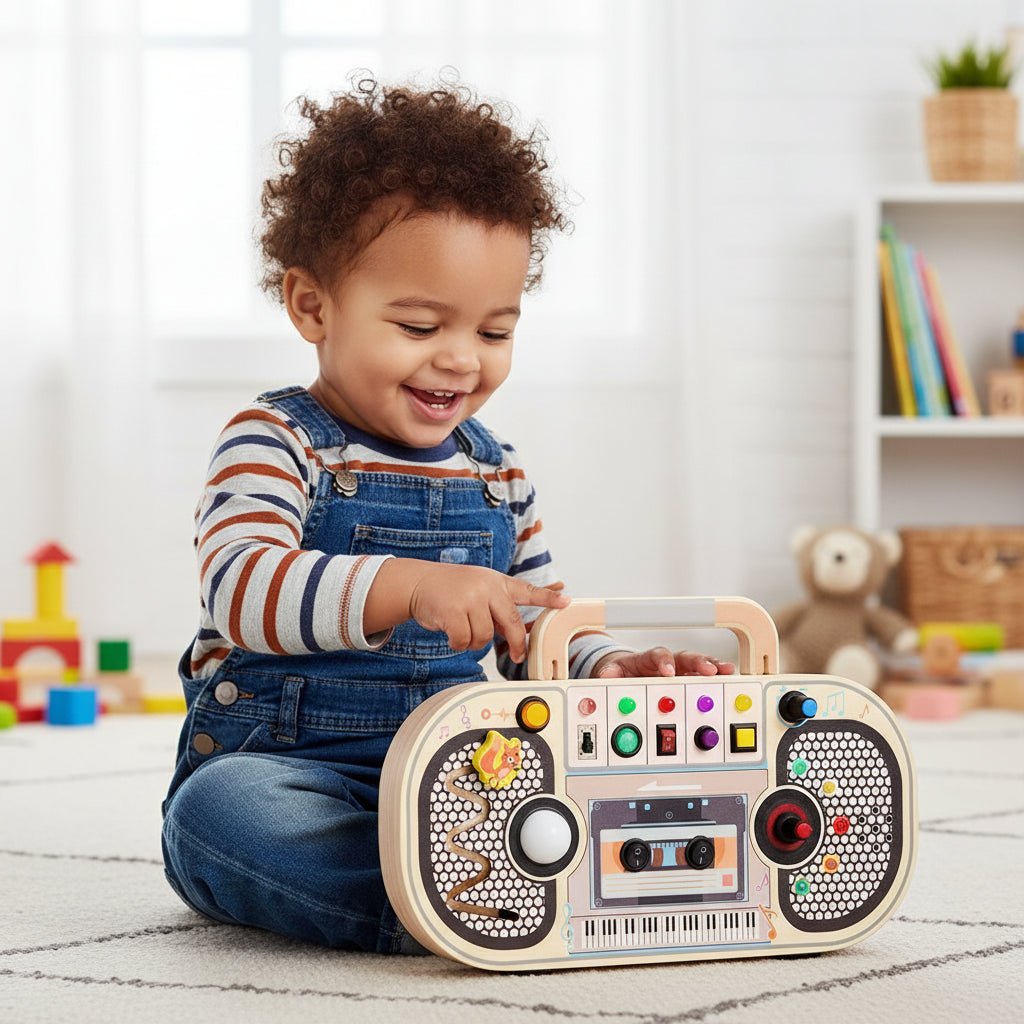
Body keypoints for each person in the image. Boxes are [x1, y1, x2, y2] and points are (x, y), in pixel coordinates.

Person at [160, 74, 734, 955]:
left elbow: (533, 628)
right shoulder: (276, 439)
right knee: (217, 819)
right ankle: (438, 907)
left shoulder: (497, 472)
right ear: (313, 305)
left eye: (495, 332)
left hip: (464, 776)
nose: (461, 360)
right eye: (421, 325)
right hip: (287, 765)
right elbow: (243, 589)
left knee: (582, 777)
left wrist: (610, 667)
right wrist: (411, 585)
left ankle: (541, 872)